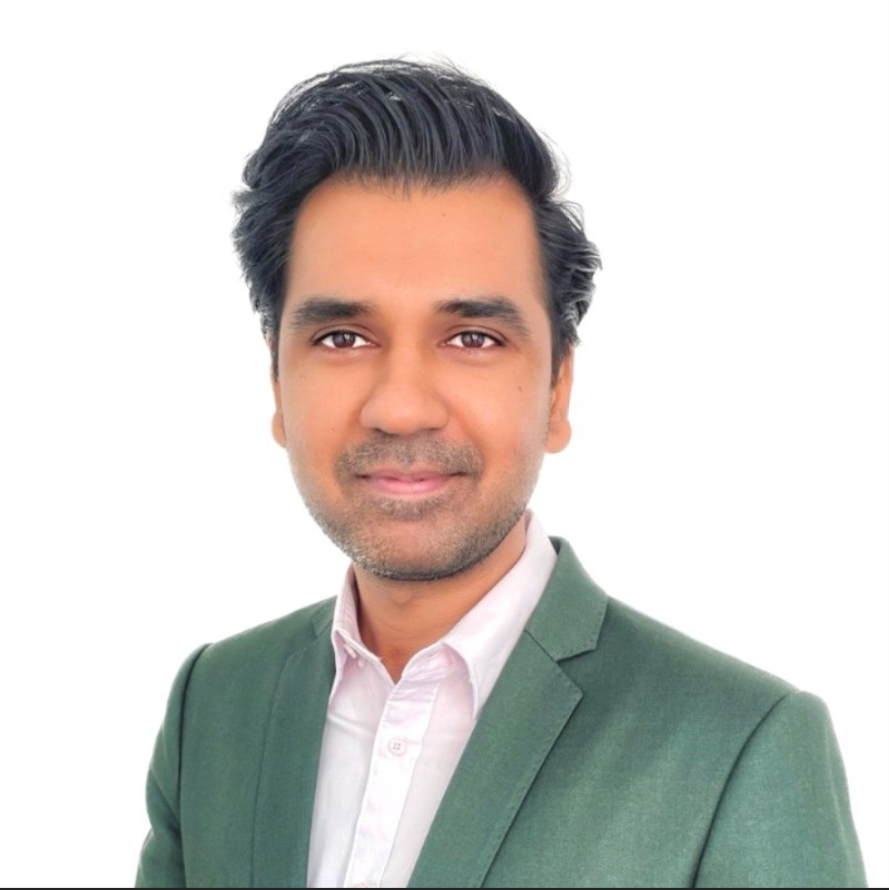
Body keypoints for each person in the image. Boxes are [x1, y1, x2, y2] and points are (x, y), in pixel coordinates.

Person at [135, 59, 866, 889]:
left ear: (557, 389)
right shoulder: (214, 705)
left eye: (472, 338)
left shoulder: (737, 748)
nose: (401, 408)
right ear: (276, 384)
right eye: (342, 337)